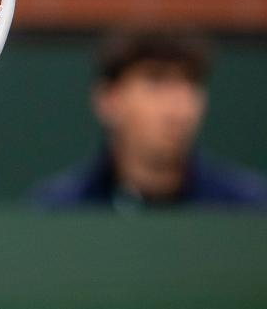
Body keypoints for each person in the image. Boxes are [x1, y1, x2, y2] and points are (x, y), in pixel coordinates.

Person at [33, 31, 267, 210]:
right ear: (109, 100)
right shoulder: (58, 207)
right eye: (156, 82)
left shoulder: (251, 206)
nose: (179, 107)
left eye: (190, 83)